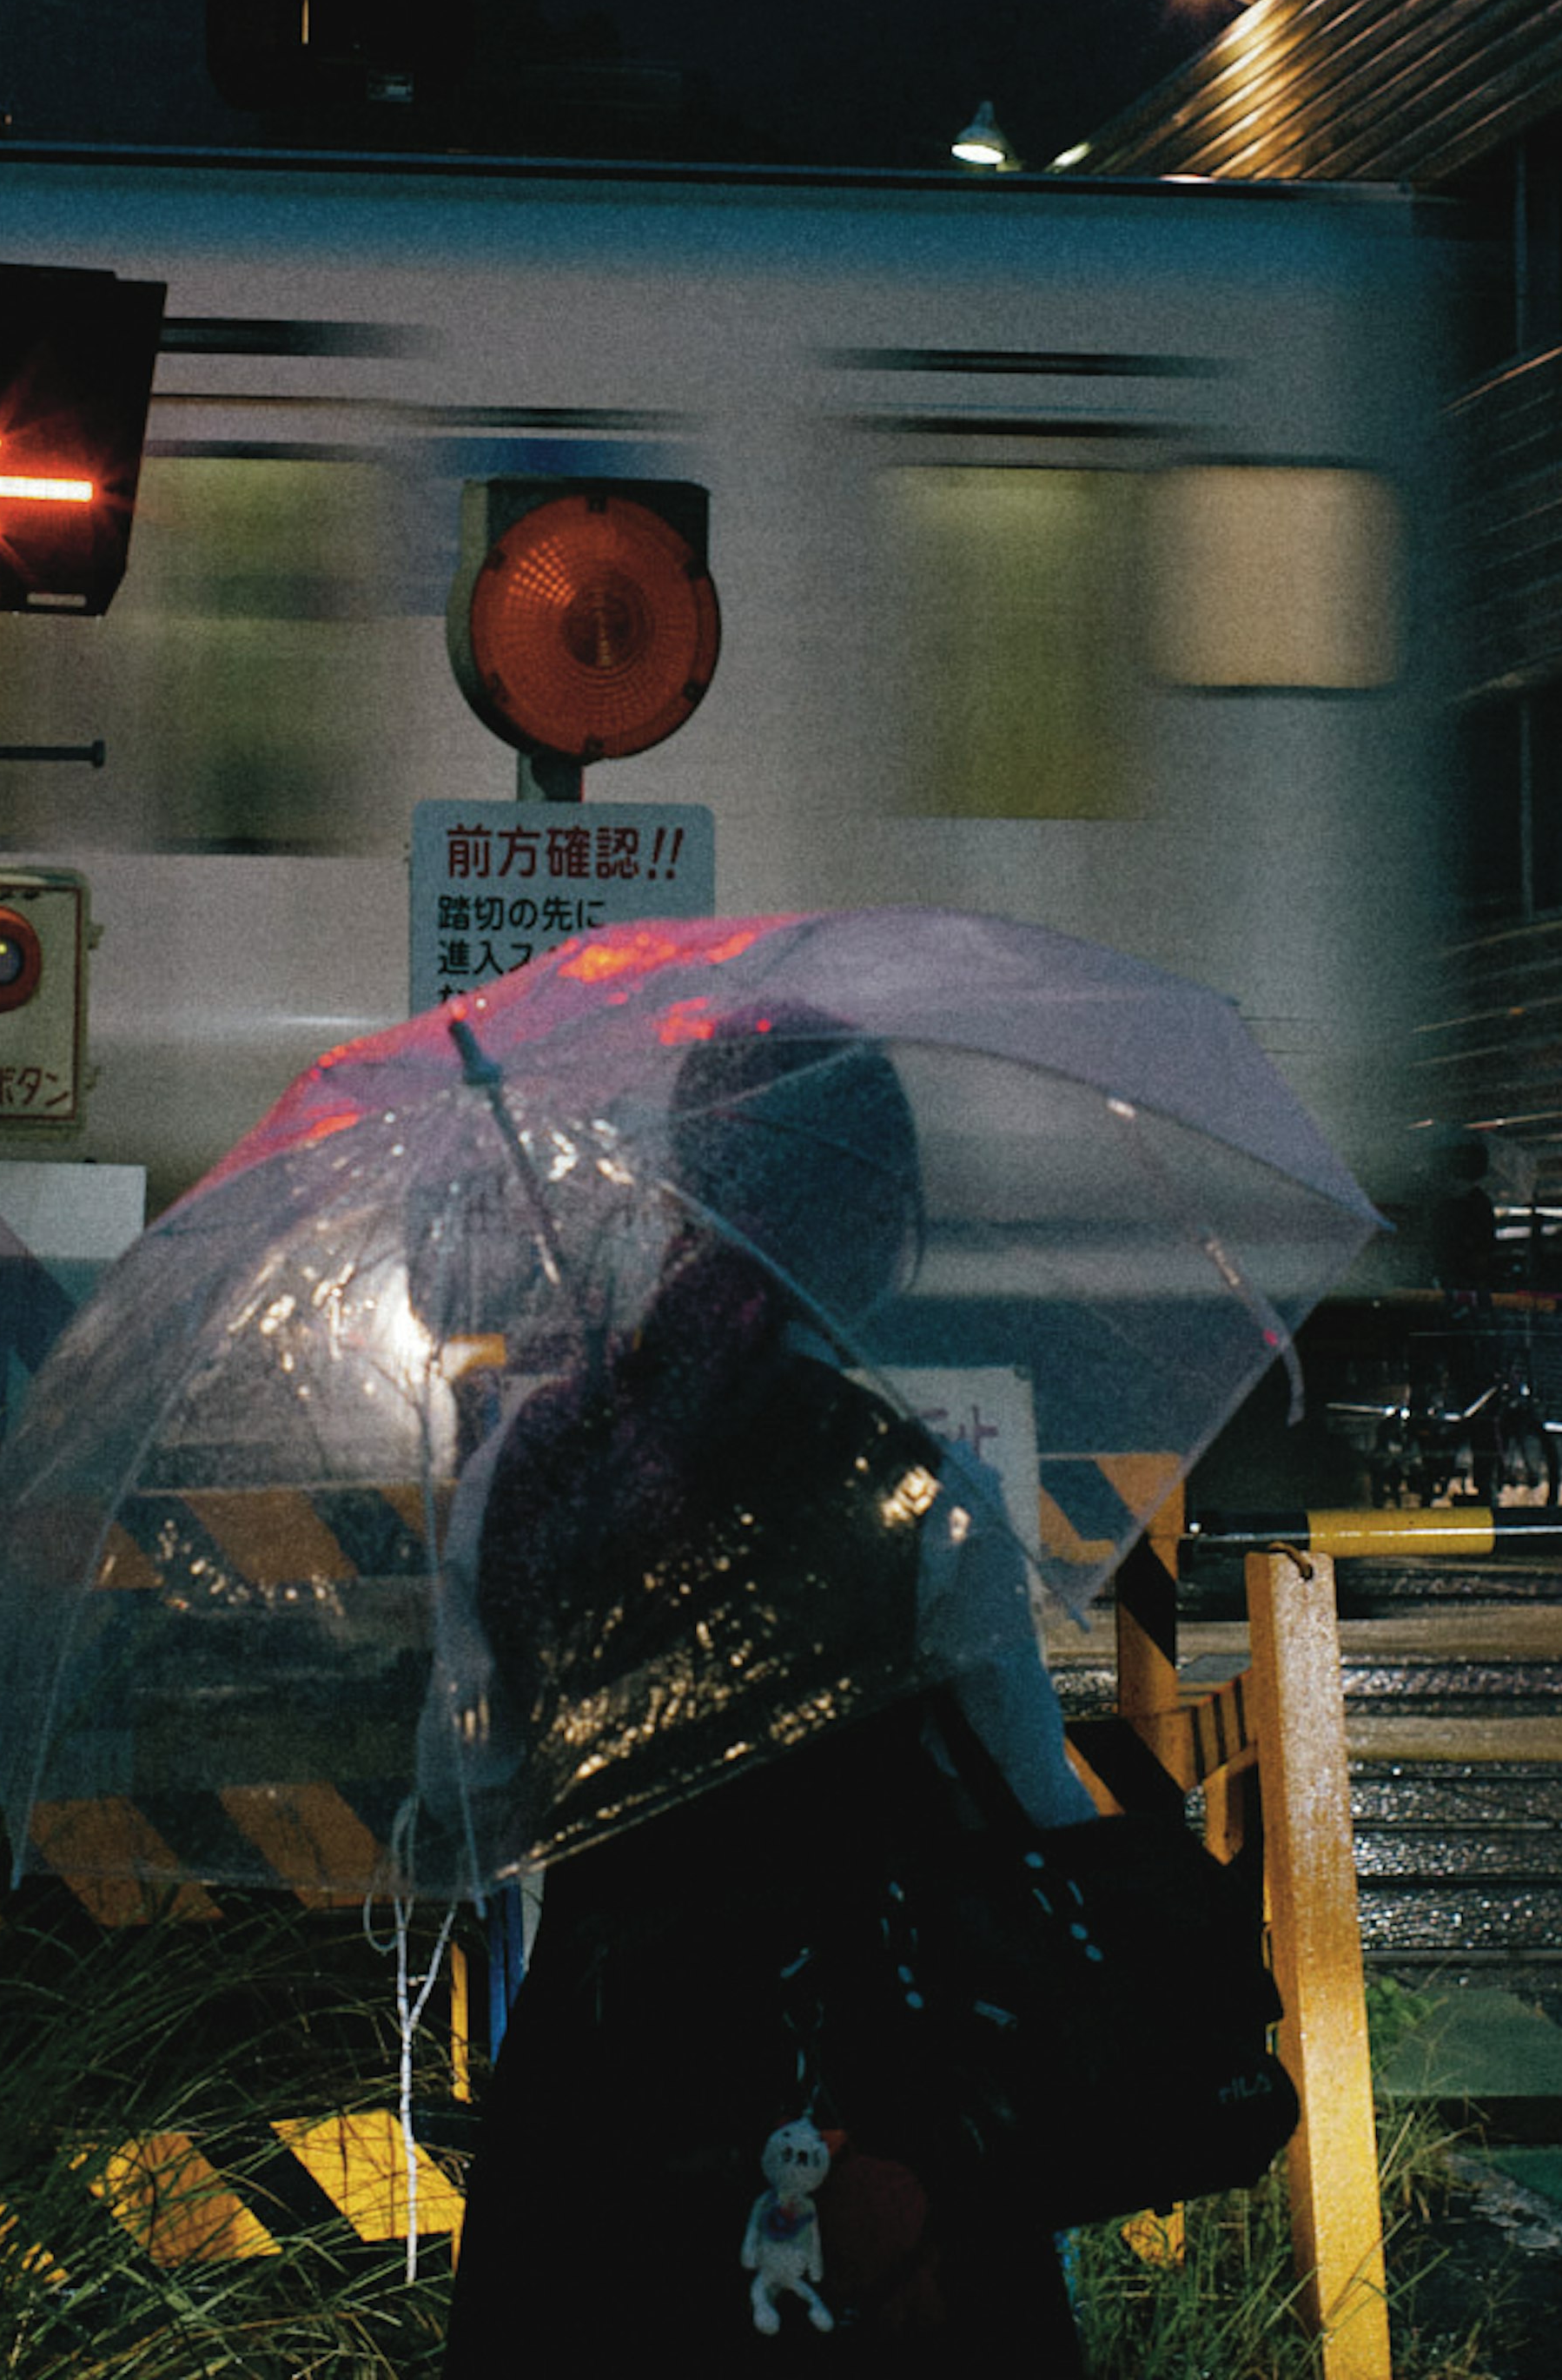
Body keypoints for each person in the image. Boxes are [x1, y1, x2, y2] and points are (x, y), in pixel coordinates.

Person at [429, 1010, 1093, 2376]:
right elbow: (1033, 1815)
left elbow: (467, 1797)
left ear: (683, 1191)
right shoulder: (916, 1497)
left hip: (594, 2108)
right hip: (852, 2130)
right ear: (868, 1227)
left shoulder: (527, 1470)